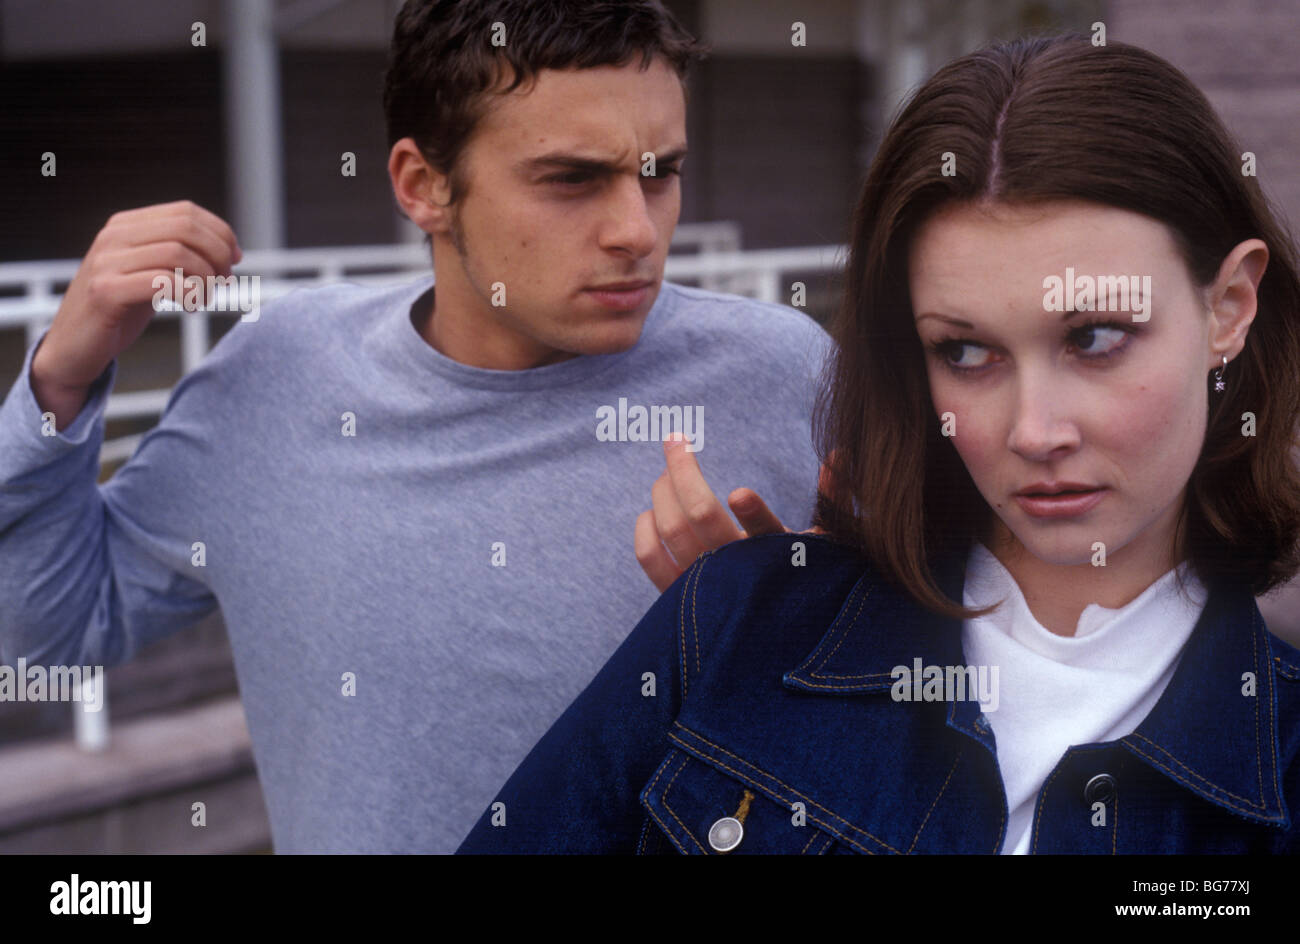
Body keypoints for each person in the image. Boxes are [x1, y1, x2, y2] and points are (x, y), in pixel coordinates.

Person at [0, 0, 829, 853]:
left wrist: (792, 636)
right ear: (421, 185)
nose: (637, 231)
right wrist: (58, 379)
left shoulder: (785, 378)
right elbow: (49, 632)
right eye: (573, 178)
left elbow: (943, 706)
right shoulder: (275, 379)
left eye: (660, 171)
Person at [457, 32, 1300, 854]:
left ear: (1228, 306)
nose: (1035, 430)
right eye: (965, 352)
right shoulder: (736, 623)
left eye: (1096, 338)